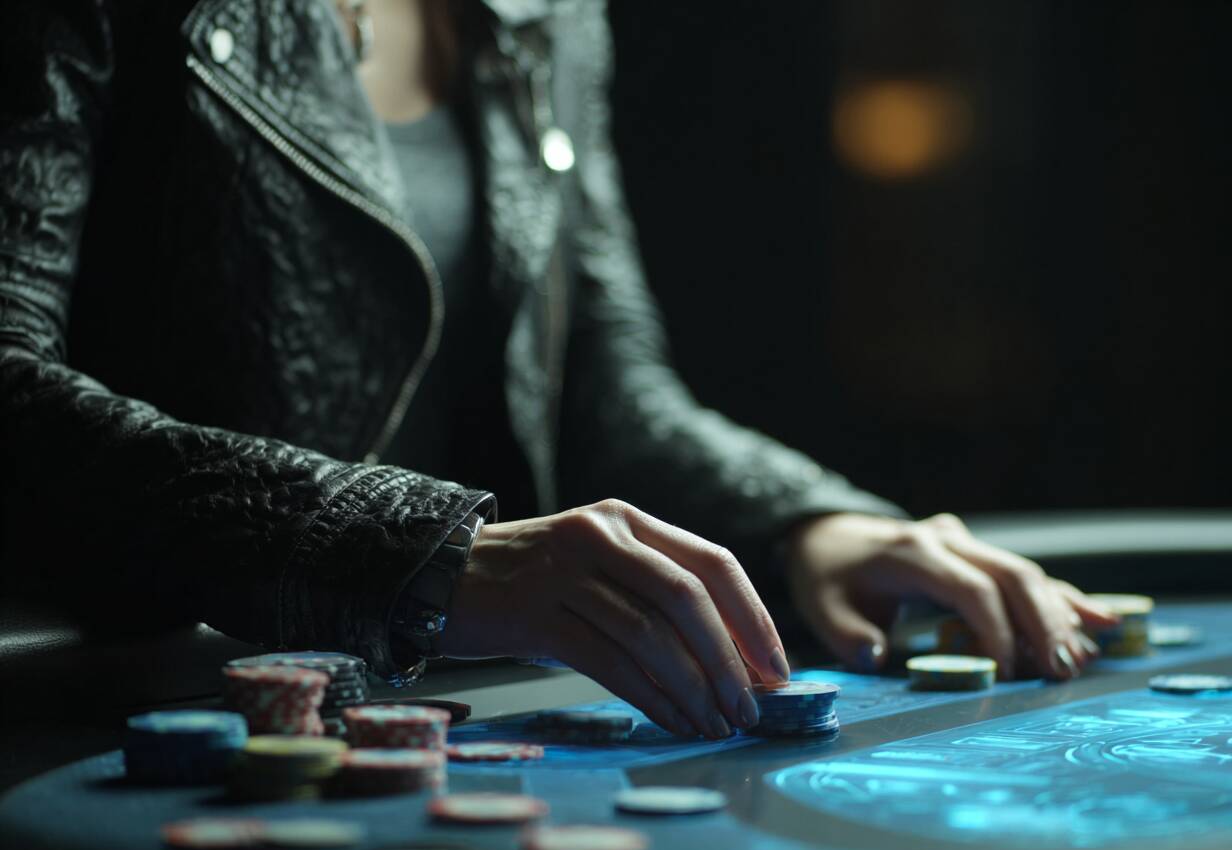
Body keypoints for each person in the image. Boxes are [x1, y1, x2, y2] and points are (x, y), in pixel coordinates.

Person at [0, 0, 1115, 741]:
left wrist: (805, 525)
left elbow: (600, 388)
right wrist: (425, 553)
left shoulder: (552, 8)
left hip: (430, 728)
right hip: (98, 727)